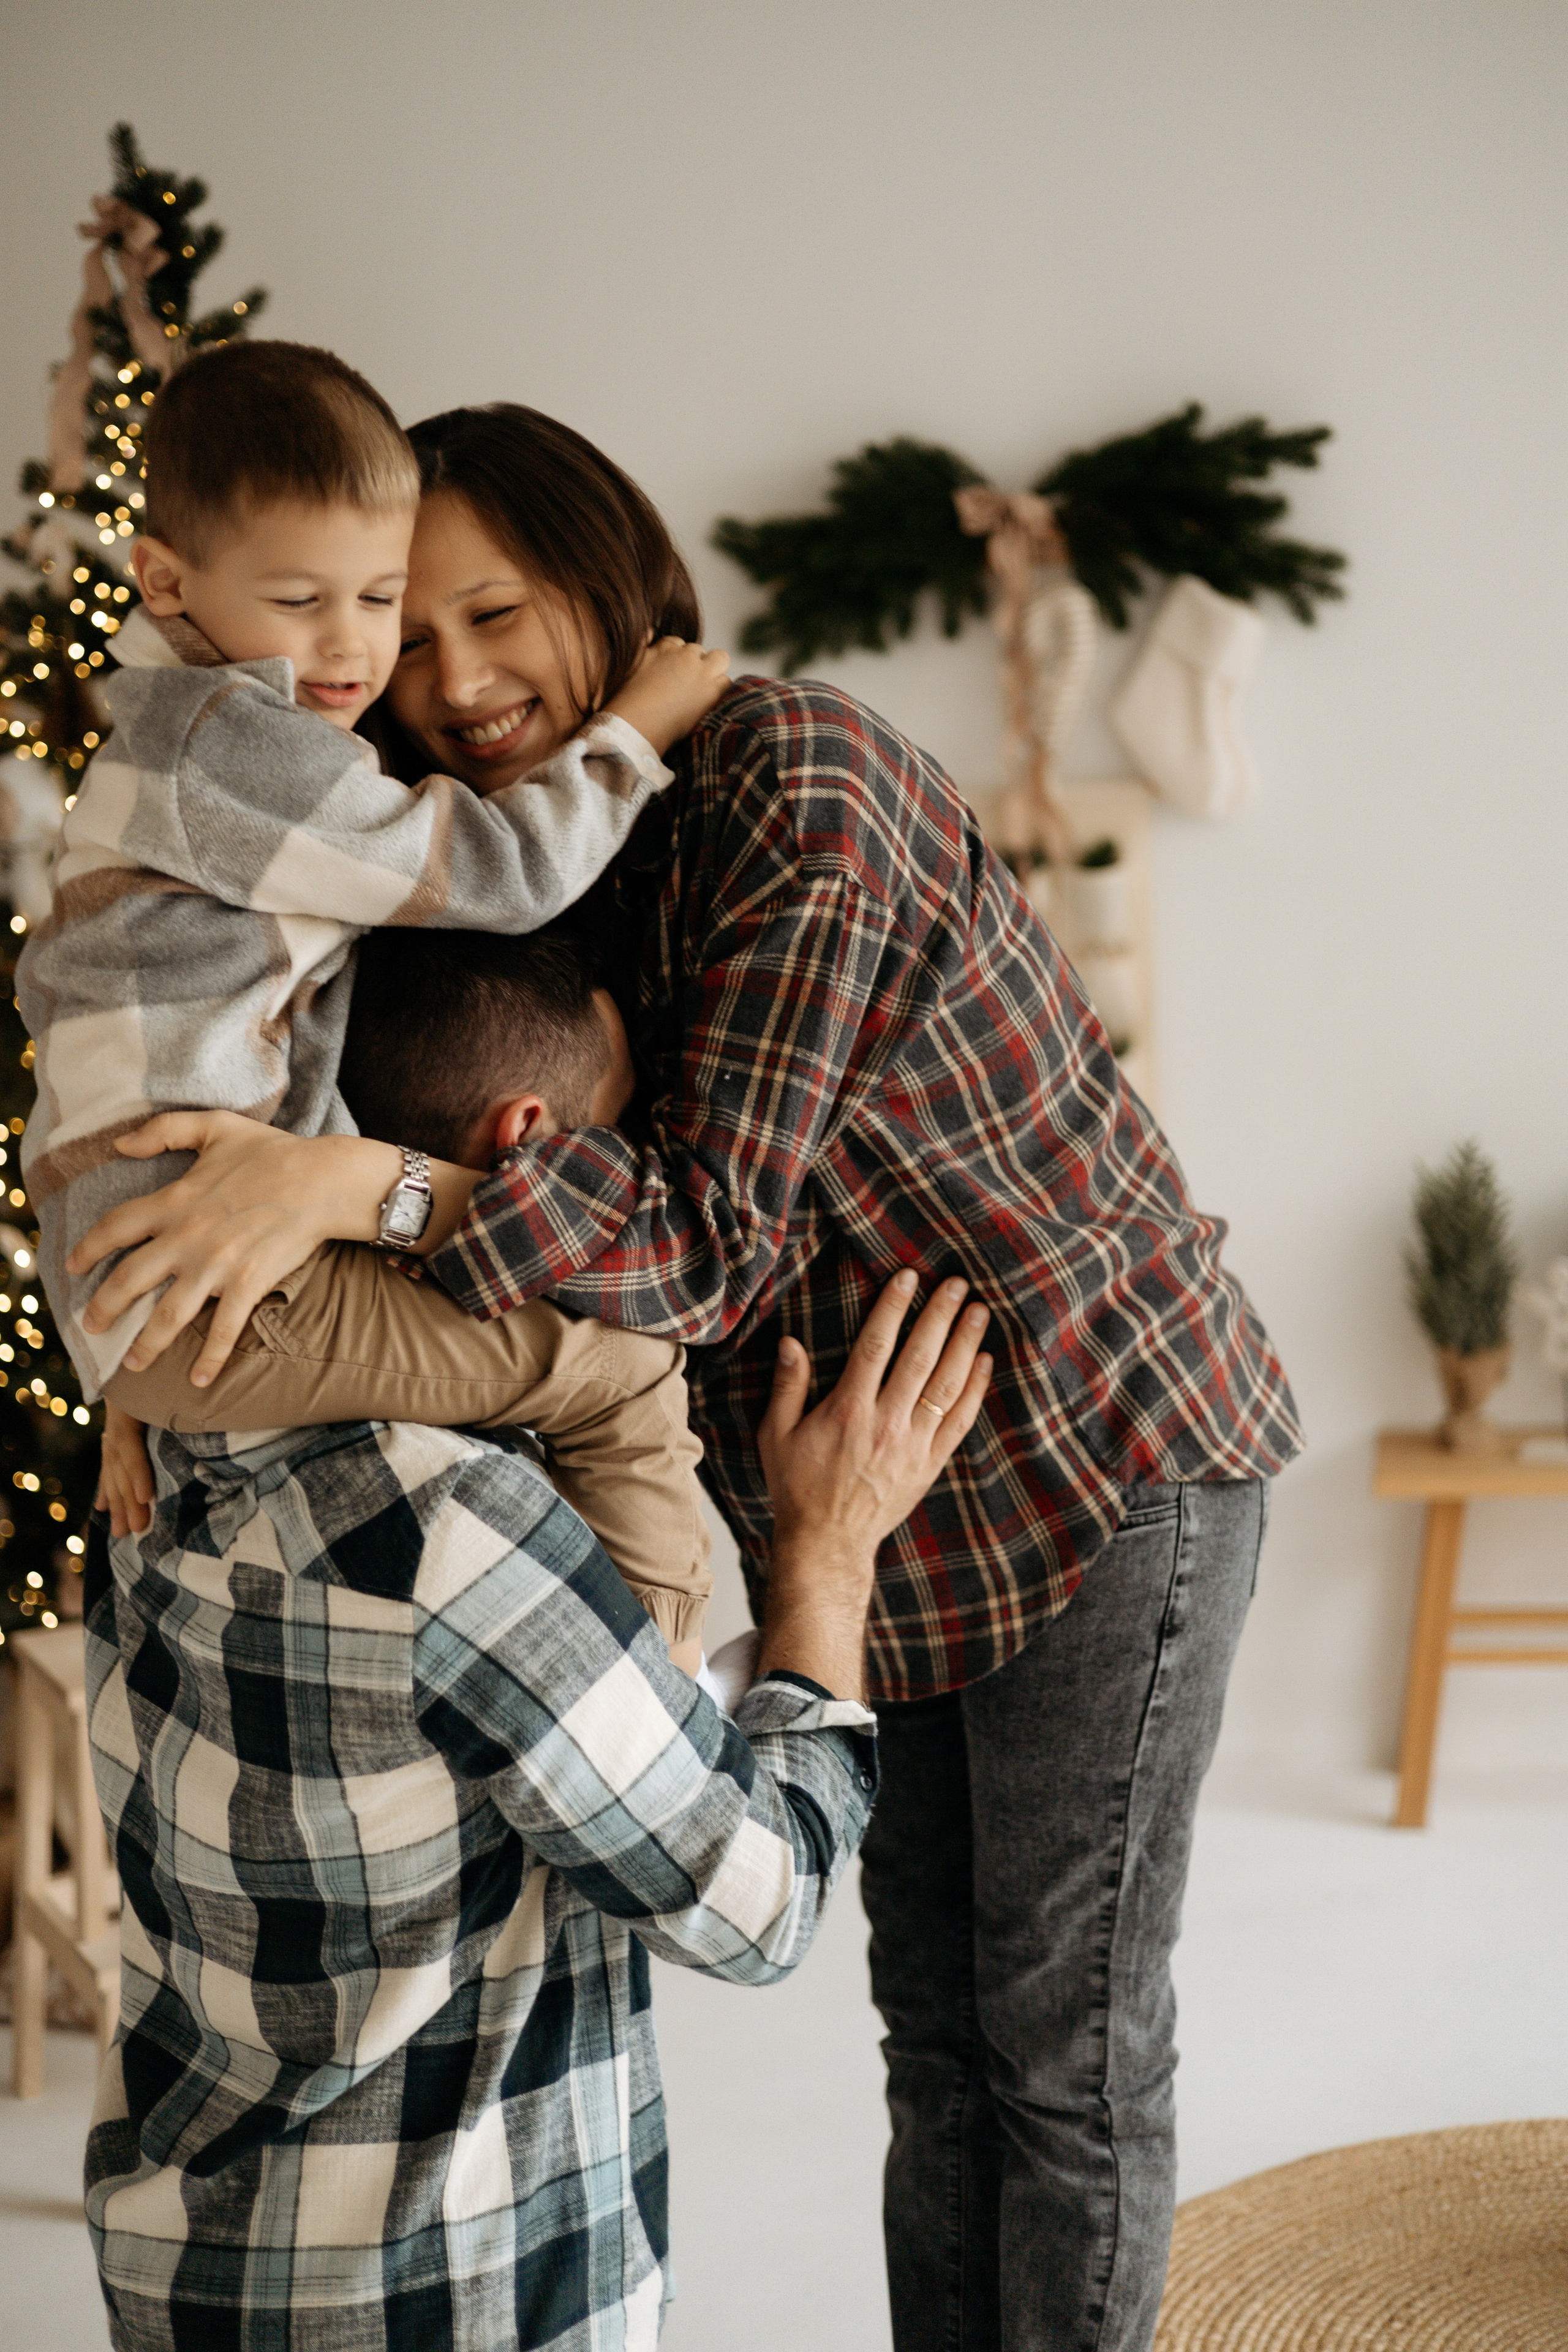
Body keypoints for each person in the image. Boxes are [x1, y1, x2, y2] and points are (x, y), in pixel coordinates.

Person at [70, 402, 1305, 2352]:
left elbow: (707, 1246)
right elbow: (317, 1056)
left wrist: (356, 1187)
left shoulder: (795, 782)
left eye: (498, 615)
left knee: (1059, 2042)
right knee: (936, 2034)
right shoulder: (535, 844)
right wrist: (159, 1350)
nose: (452, 681)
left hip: (1084, 1446)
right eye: (413, 633)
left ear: (606, 575)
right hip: (868, 1488)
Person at [85, 1267, 991, 2351]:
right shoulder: (448, 1517)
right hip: (445, 2305)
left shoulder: (154, 1436)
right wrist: (829, 1552)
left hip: (182, 2275)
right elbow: (762, 1904)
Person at [21, 342, 729, 1666]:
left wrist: (113, 1358)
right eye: (302, 601)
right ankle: (666, 1707)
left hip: (154, 1283)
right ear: (165, 581)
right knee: (619, 1372)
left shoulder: (174, 747)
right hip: (224, 1294)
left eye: (379, 600)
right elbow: (504, 873)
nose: (353, 646)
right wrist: (635, 732)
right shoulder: (231, 745)